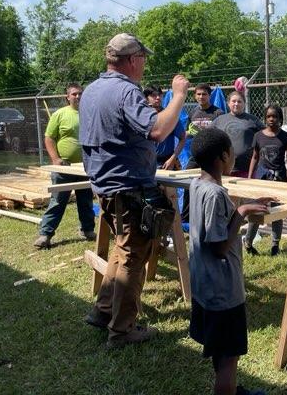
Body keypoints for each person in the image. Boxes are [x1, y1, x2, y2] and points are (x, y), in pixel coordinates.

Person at [79, 33, 189, 349]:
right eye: (143, 58)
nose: (144, 64)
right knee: (132, 256)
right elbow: (156, 130)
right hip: (127, 187)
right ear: (132, 59)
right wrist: (178, 96)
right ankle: (122, 330)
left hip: (105, 183)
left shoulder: (92, 90)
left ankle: (102, 313)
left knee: (122, 248)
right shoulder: (126, 92)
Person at [188, 127, 273, 395]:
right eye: (233, 152)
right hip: (222, 292)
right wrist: (242, 212)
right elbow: (220, 248)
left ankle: (233, 391)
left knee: (220, 349)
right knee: (230, 358)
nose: (235, 156)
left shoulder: (198, 184)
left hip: (204, 286)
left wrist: (239, 206)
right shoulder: (214, 194)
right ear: (224, 156)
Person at [34, 83, 96, 249]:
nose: (78, 97)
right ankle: (45, 234)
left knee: (86, 200)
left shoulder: (89, 114)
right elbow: (49, 138)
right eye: (74, 94)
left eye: (80, 94)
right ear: (67, 97)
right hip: (64, 167)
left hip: (84, 166)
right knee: (58, 201)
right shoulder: (60, 114)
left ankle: (88, 230)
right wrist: (55, 159)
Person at [244, 104, 287, 256]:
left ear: (280, 118)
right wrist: (250, 177)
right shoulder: (258, 136)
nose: (272, 119)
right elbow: (255, 157)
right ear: (265, 118)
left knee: (276, 212)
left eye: (275, 116)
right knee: (257, 211)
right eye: (269, 116)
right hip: (262, 178)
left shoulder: (286, 137)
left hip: (279, 178)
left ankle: (275, 245)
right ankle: (248, 242)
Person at [180, 83, 224, 224]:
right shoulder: (193, 112)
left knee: (214, 185)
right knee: (188, 182)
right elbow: (188, 131)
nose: (201, 97)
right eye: (198, 94)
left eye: (204, 94)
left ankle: (215, 214)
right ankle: (186, 217)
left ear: (209, 96)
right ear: (195, 96)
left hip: (212, 156)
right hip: (196, 155)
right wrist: (181, 134)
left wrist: (204, 132)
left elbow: (220, 135)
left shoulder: (218, 113)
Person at [212, 91, 264, 178]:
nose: (236, 104)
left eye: (239, 101)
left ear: (244, 103)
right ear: (228, 103)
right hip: (224, 168)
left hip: (246, 169)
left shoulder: (253, 120)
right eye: (233, 101)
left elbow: (266, 135)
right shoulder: (219, 120)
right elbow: (208, 137)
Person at [143, 85, 186, 170]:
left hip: (166, 163)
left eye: (160, 95)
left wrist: (173, 159)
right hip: (146, 164)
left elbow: (183, 138)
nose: (158, 98)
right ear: (146, 98)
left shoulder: (170, 116)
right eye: (153, 95)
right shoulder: (141, 116)